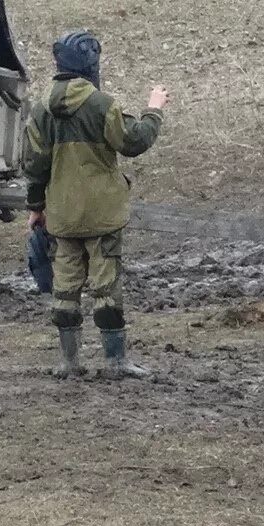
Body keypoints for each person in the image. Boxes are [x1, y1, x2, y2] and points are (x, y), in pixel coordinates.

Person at [23, 30, 167, 380]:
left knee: (65, 289)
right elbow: (132, 142)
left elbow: (34, 165)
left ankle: (69, 363)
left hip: (61, 216)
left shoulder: (41, 109)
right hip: (103, 215)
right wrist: (155, 109)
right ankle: (116, 362)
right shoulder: (102, 104)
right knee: (106, 289)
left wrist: (35, 206)